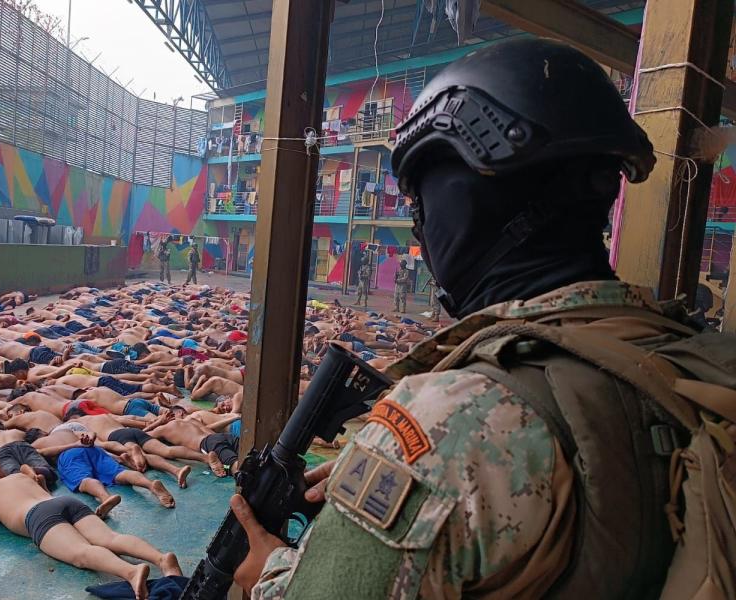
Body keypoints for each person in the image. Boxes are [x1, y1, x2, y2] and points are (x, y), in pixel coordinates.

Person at [229, 38, 720, 599]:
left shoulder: (448, 422)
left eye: (423, 199)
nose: (420, 226)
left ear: (467, 197)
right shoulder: (681, 351)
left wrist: (269, 573)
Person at [0, 449, 181, 600]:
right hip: (61, 502)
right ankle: (161, 559)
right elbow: (13, 477)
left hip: (36, 516)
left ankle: (131, 572)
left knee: (82, 553)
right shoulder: (18, 477)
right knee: (111, 538)